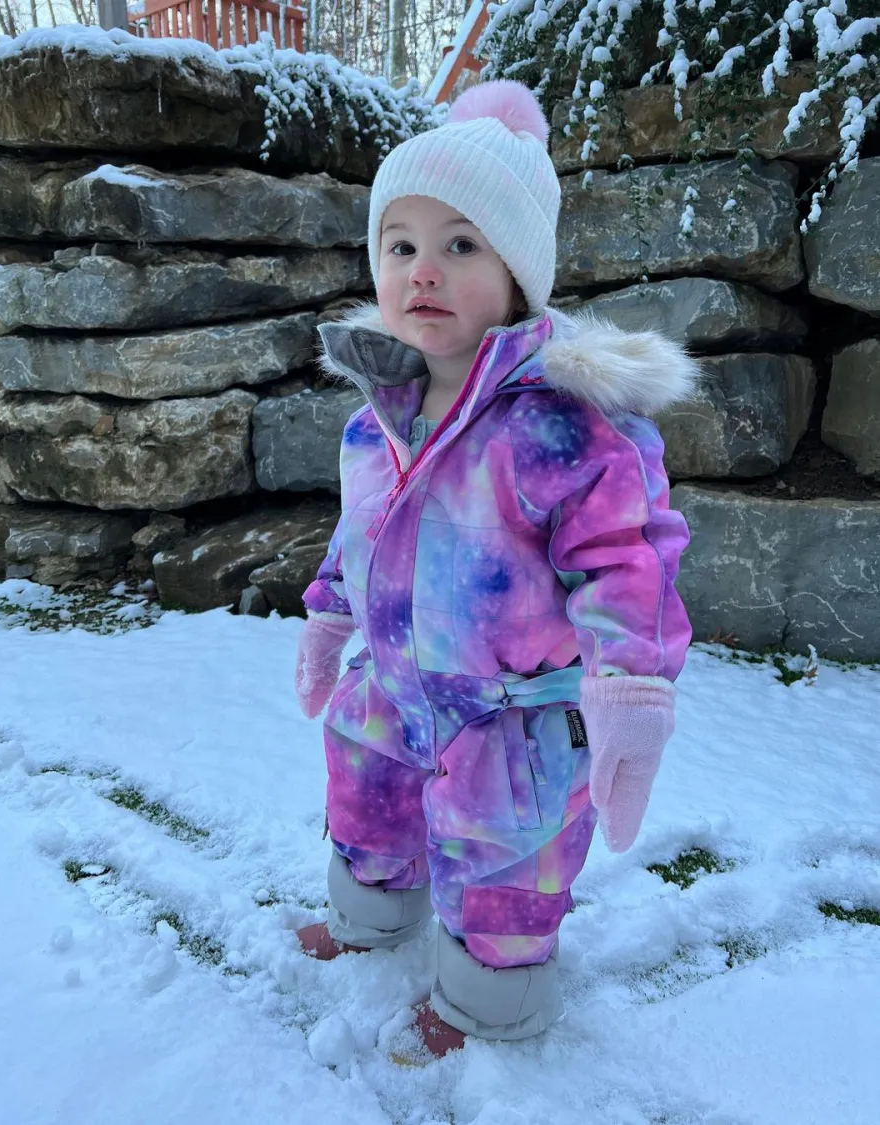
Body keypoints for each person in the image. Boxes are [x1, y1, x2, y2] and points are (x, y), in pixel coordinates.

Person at [293, 79, 698, 1057]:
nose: (423, 269)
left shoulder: (558, 423)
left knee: (505, 858)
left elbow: (626, 555)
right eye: (401, 245)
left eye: (460, 244)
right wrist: (329, 616)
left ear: (518, 275)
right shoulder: (376, 415)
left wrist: (631, 690)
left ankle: (486, 1004)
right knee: (364, 790)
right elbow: (361, 536)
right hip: (390, 683)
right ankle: (372, 921)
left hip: (506, 718)